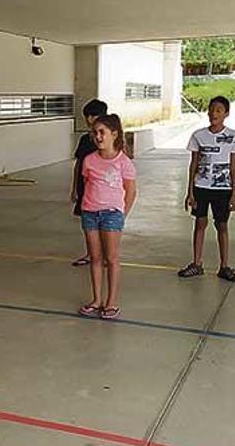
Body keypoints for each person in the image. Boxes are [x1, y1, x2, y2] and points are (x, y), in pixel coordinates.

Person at [76, 114, 137, 320]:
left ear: (114, 134)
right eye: (95, 133)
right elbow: (87, 184)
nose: (98, 136)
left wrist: (121, 213)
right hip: (90, 213)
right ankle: (97, 299)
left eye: (102, 132)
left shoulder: (123, 162)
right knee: (95, 258)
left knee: (111, 258)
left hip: (112, 215)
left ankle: (111, 301)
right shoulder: (89, 160)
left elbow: (130, 191)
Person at [178, 96, 235, 282]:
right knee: (200, 223)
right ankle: (197, 263)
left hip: (223, 189)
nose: (214, 113)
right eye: (211, 109)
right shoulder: (198, 136)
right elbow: (193, 164)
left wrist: (234, 193)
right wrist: (190, 191)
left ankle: (224, 266)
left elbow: (233, 166)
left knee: (222, 225)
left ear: (226, 114)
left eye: (219, 110)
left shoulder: (233, 136)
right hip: (201, 186)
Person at [70, 99, 108, 266]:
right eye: (88, 116)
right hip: (85, 187)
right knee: (89, 223)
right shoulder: (85, 140)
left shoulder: (109, 139)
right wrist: (74, 188)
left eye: (92, 116)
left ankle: (106, 255)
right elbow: (78, 164)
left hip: (102, 188)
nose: (89, 119)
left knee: (104, 223)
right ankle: (91, 254)